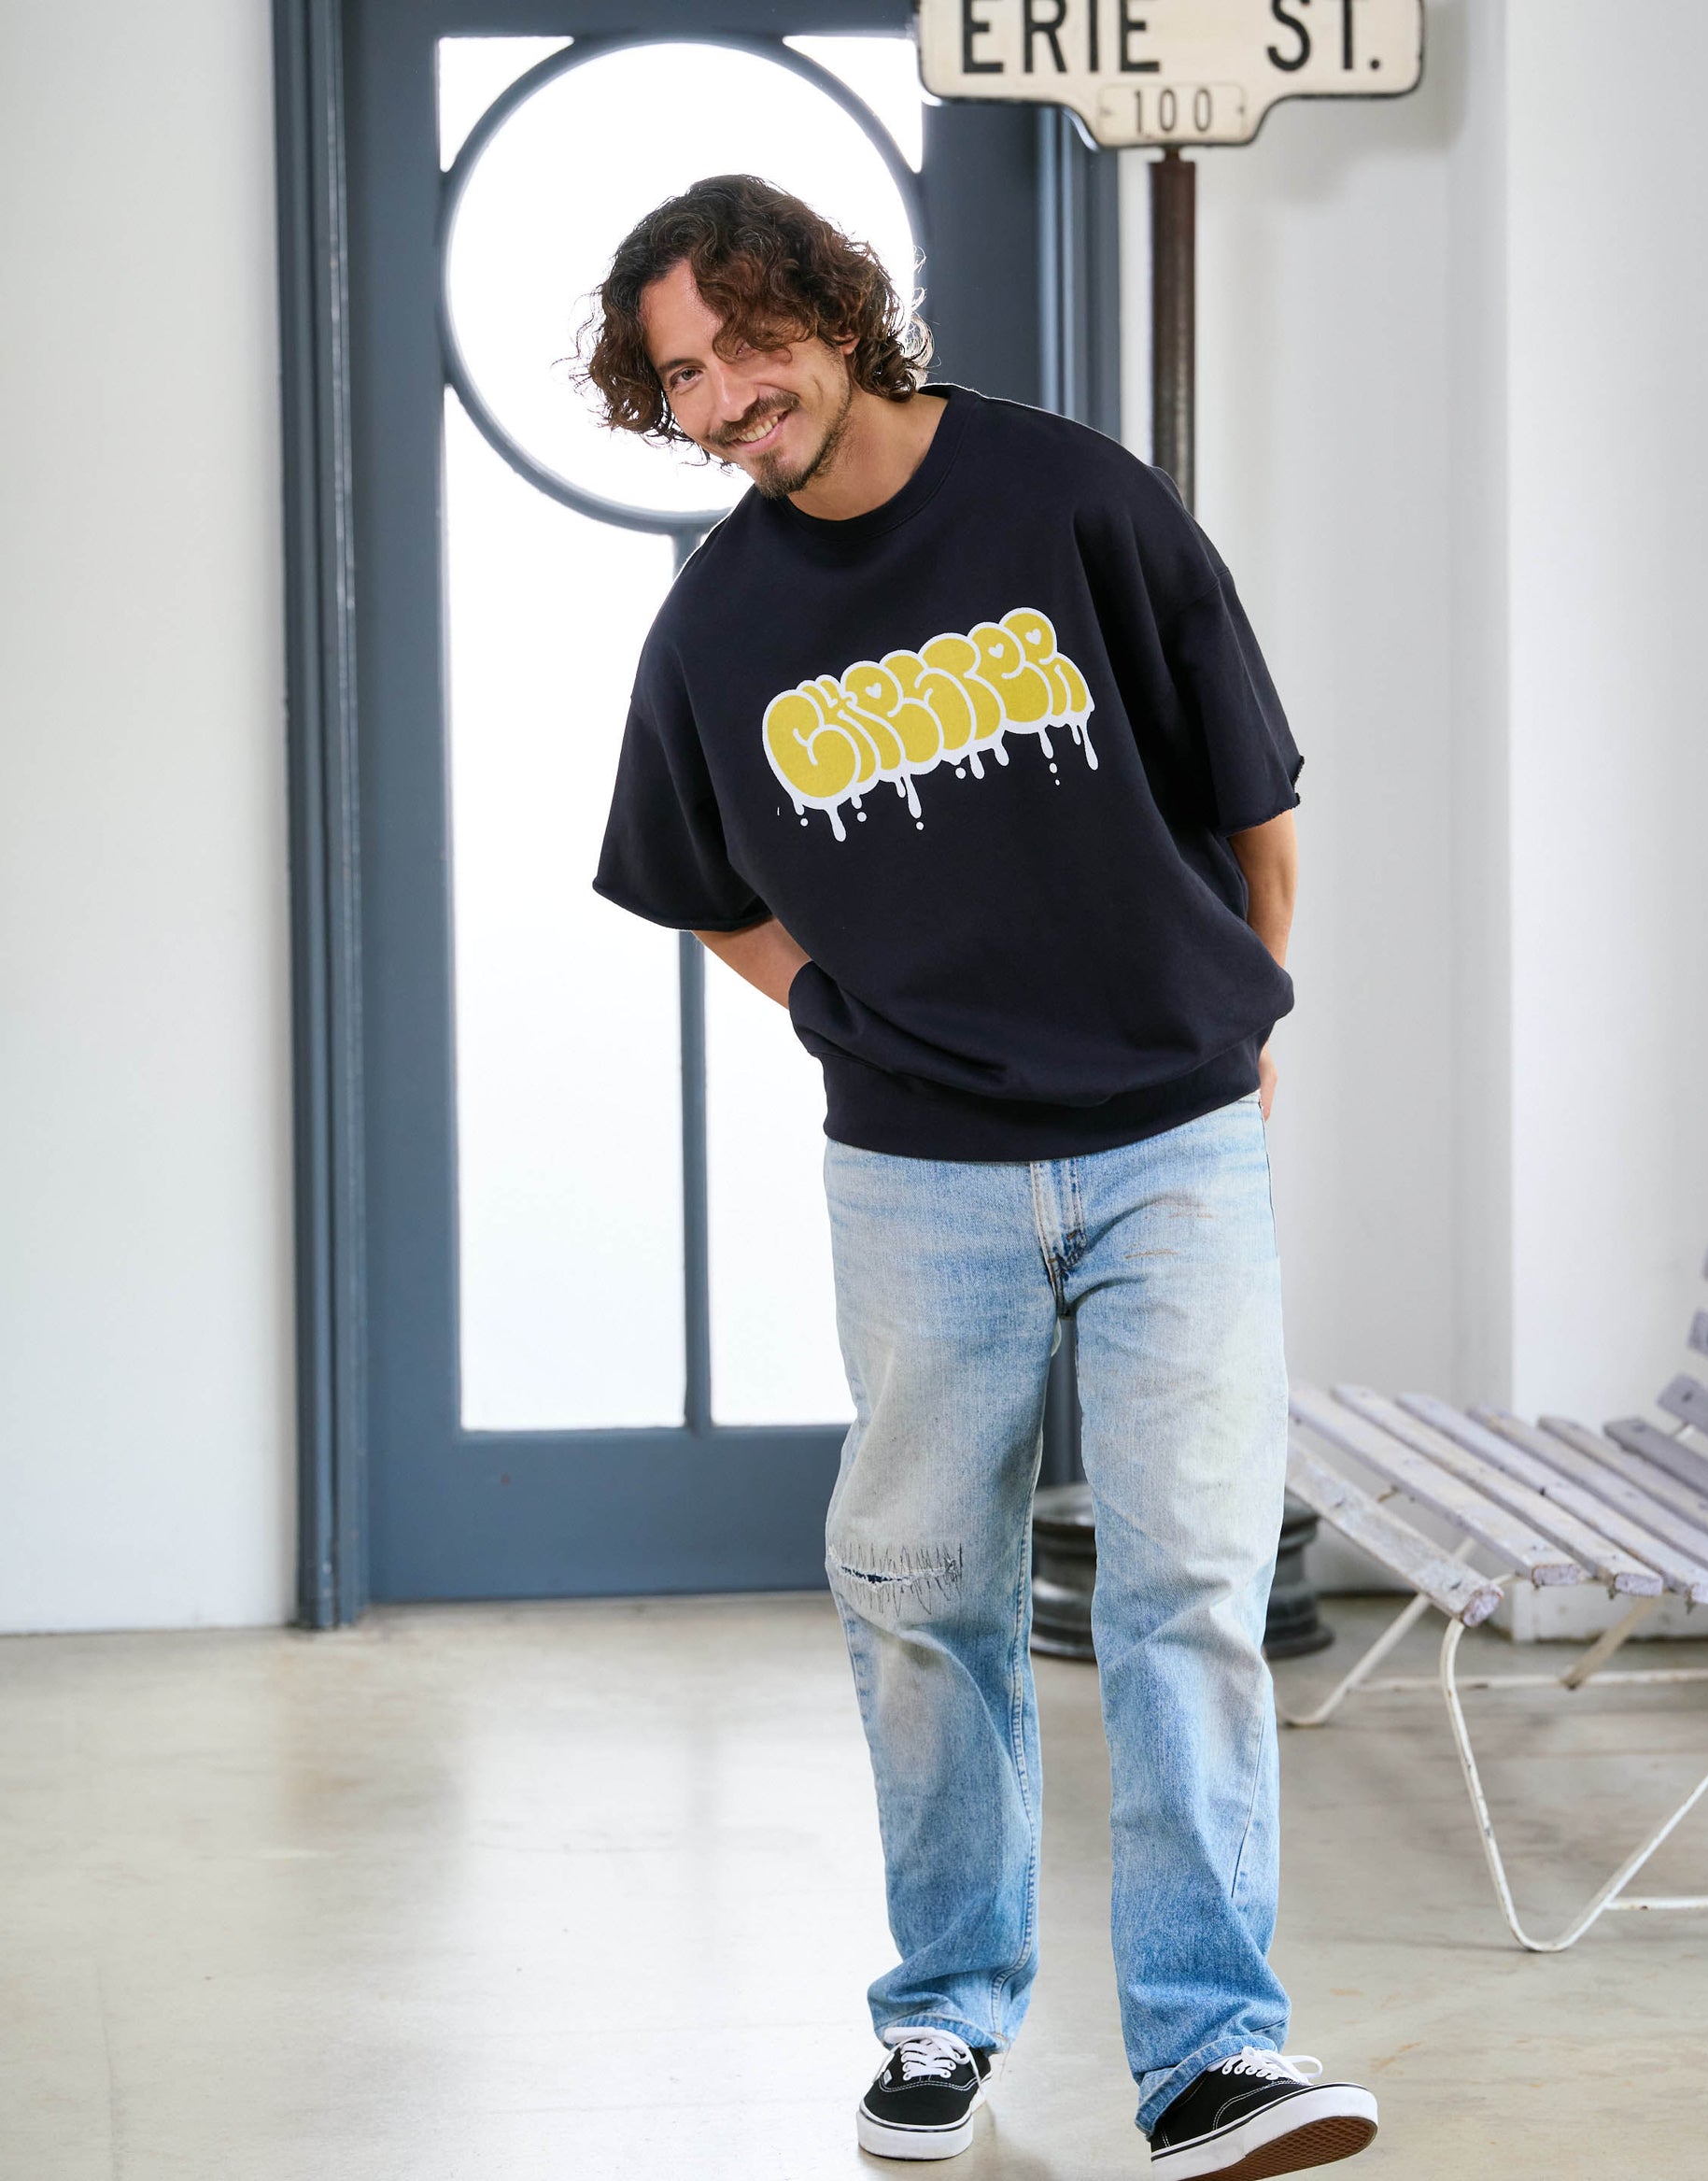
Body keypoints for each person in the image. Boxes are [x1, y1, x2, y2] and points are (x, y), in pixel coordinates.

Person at [580, 173, 1378, 2179]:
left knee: (1189, 1591)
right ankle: (941, 2011)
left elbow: (1251, 793)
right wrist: (842, 1011)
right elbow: (694, 886)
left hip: (1170, 1144)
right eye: (680, 380)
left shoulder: (1070, 500)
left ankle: (1213, 2055)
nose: (721, 401)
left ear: (838, 311)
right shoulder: (719, 625)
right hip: (918, 1175)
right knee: (924, 1595)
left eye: (746, 345)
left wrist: (1240, 1018)